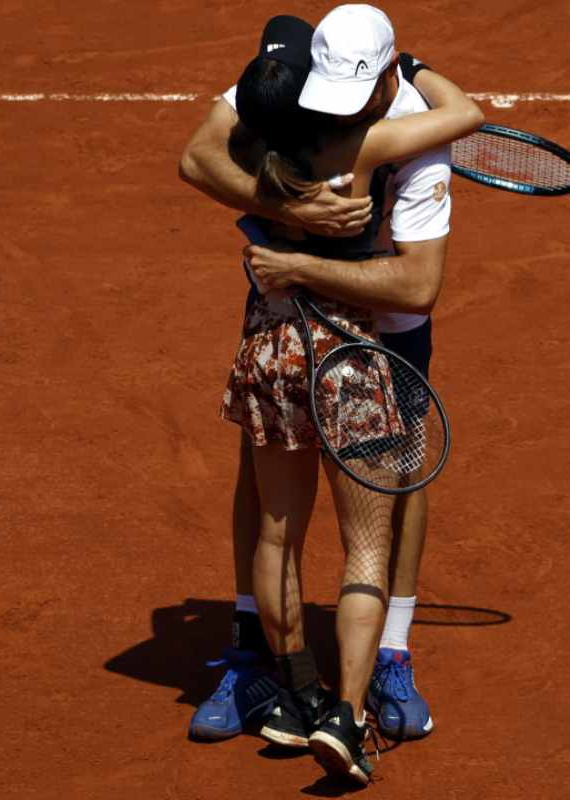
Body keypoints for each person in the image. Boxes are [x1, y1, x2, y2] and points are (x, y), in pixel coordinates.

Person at [179, 7, 474, 750]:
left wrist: (286, 246)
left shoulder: (279, 100)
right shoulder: (356, 124)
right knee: (337, 519)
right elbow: (197, 157)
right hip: (334, 330)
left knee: (373, 486)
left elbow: (416, 289)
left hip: (330, 332)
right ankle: (287, 673)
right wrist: (298, 210)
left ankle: (361, 666)